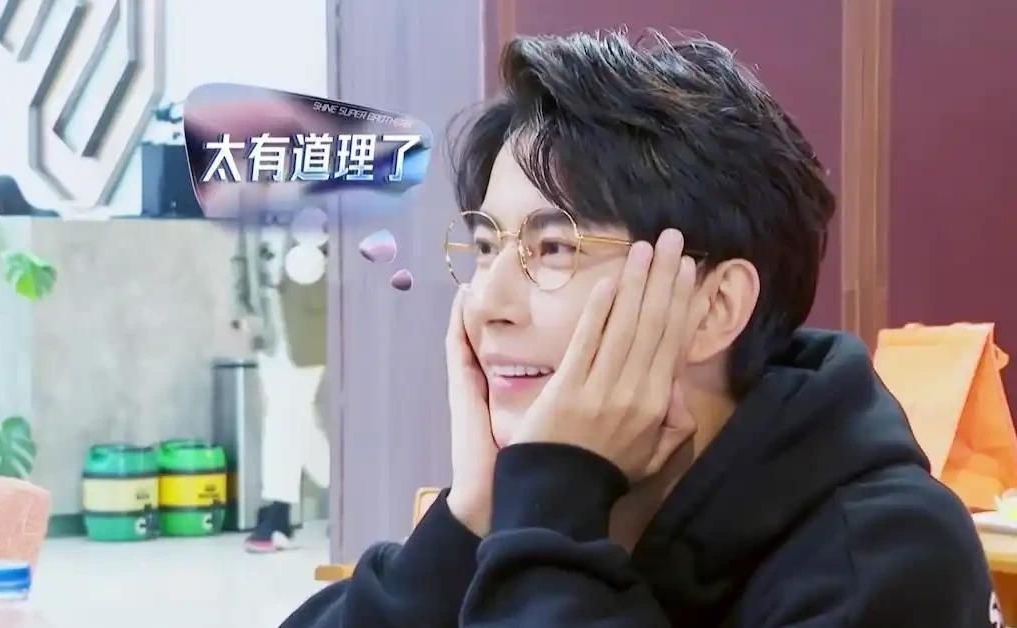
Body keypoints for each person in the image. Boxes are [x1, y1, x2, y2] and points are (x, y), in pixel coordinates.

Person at [282, 31, 998, 627]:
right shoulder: (546, 498)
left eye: (553, 248)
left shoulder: (887, 555)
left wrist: (549, 518)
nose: (487, 301)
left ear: (714, 308)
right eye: (488, 246)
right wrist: (471, 517)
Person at [232, 210, 330, 552]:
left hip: (310, 323)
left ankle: (278, 513)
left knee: (285, 413)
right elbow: (240, 257)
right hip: (267, 326)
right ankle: (350, 492)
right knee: (294, 416)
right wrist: (242, 309)